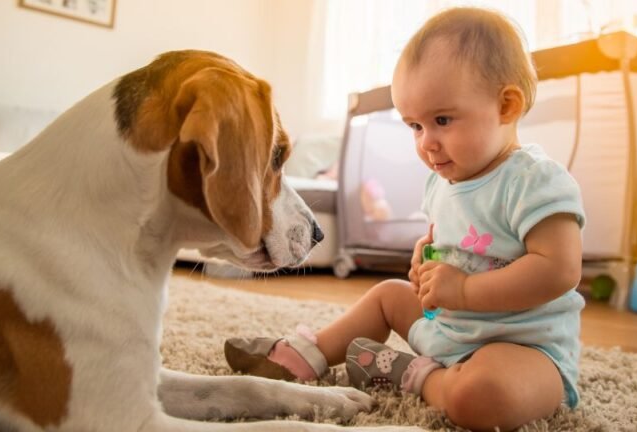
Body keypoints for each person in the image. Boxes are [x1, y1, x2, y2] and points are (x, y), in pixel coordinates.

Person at [223, 7, 585, 431]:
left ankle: (416, 375)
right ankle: (309, 353)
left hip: (522, 348)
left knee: (483, 399)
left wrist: (466, 289)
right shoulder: (442, 181)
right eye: (415, 126)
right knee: (388, 296)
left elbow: (559, 269)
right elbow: (448, 243)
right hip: (449, 327)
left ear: (506, 105)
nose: (427, 143)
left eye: (442, 121)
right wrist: (424, 260)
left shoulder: (534, 180)